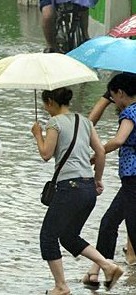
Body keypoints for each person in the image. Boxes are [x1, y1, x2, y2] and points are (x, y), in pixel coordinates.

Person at [31, 87, 123, 294]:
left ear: (50, 102)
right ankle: (108, 266)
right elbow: (100, 151)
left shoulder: (54, 123)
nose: (46, 109)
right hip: (87, 188)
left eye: (45, 105)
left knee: (47, 236)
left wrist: (38, 135)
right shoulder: (84, 121)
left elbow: (46, 154)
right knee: (69, 236)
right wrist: (98, 179)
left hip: (69, 188)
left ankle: (61, 286)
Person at [83, 72, 136, 288]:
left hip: (133, 178)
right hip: (130, 181)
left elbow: (119, 140)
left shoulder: (130, 112)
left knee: (129, 228)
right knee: (109, 224)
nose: (114, 101)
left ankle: (103, 269)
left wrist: (98, 154)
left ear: (121, 93)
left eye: (113, 96)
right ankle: (102, 270)